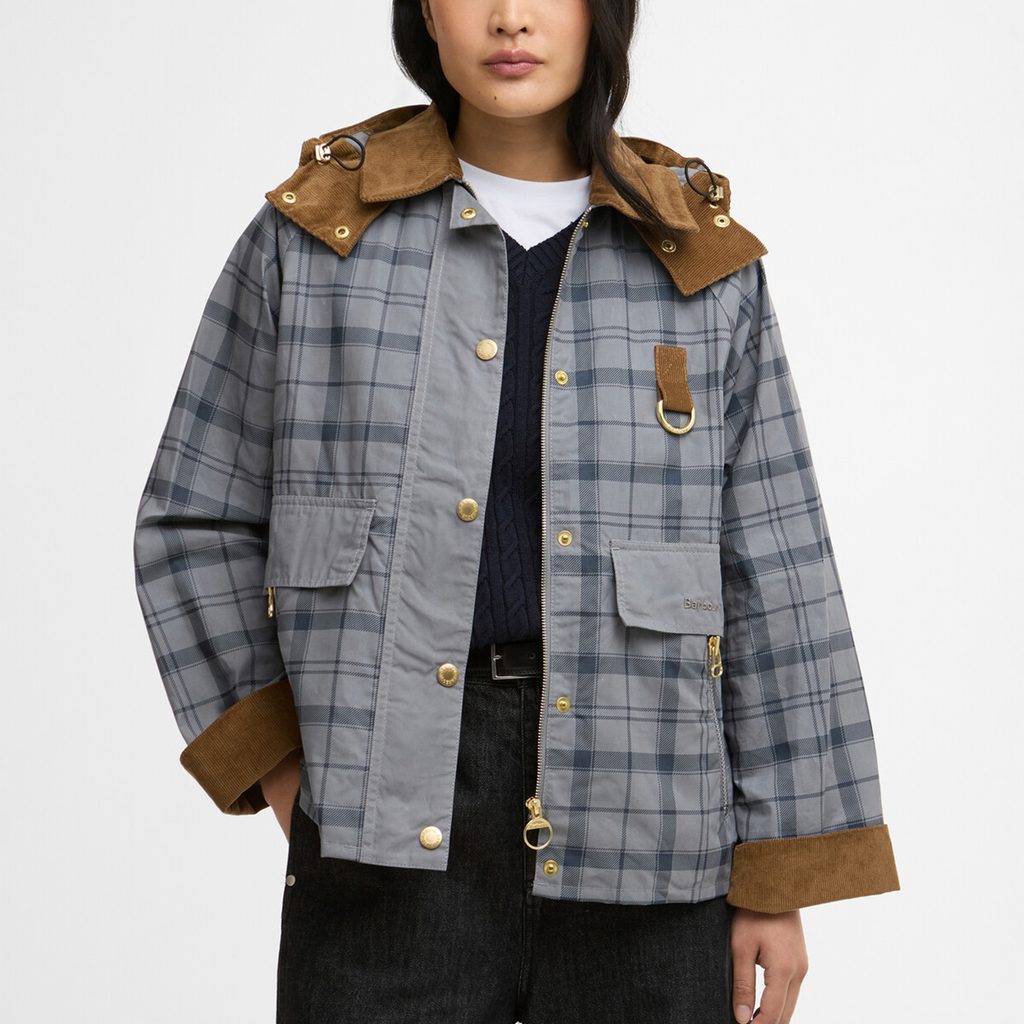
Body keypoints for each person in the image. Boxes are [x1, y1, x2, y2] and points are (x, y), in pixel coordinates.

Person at [132, 2, 901, 1022]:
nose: (510, 18)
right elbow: (193, 521)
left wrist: (777, 875)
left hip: (655, 810)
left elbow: (777, 565)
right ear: (425, 13)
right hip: (387, 811)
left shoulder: (697, 260)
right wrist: (280, 766)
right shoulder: (314, 239)